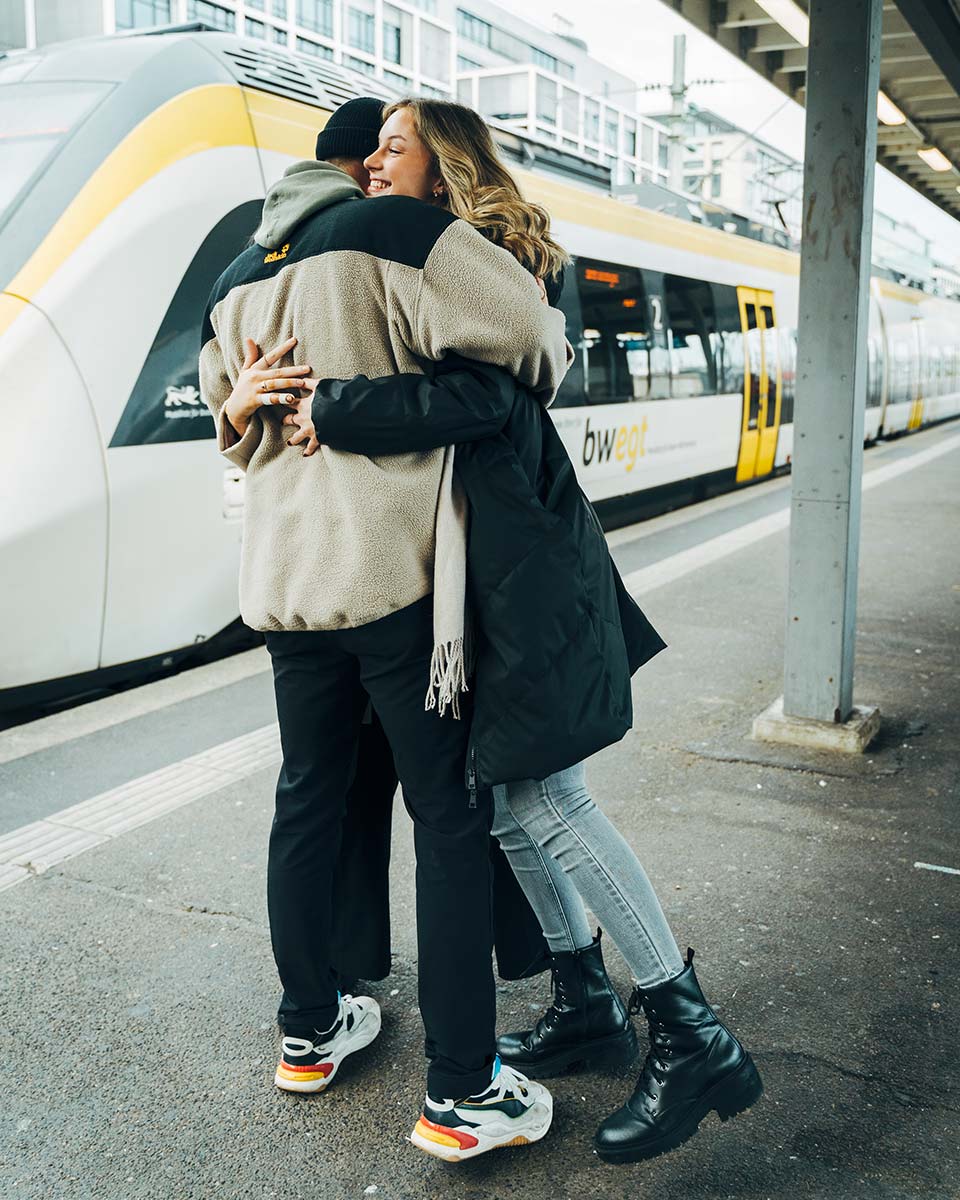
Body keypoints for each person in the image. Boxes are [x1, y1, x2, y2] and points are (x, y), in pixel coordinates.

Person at [262, 96, 764, 1166]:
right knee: (498, 800)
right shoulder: (388, 251)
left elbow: (490, 399)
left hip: (514, 563)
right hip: (469, 573)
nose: (371, 168)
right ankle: (586, 995)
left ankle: (688, 1026)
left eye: (394, 149)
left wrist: (340, 409)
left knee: (547, 795)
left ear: (443, 168)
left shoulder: (475, 254)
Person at [199, 95, 569, 1160]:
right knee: (449, 820)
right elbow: (530, 341)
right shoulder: (400, 232)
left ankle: (310, 1030)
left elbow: (227, 409)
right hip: (392, 582)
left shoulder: (245, 270)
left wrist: (249, 408)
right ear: (374, 162)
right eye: (392, 148)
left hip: (284, 584)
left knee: (307, 800)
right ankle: (462, 1092)